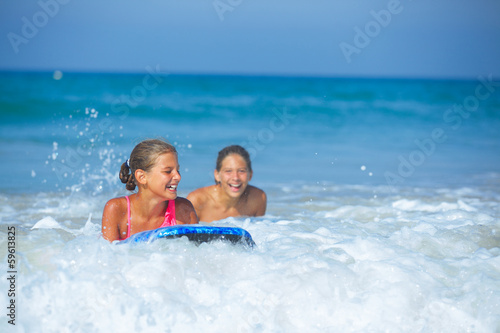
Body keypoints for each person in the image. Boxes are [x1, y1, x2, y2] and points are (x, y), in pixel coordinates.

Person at [102, 139, 198, 242]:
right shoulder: (117, 210)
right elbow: (106, 255)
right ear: (142, 177)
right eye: (168, 171)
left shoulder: (183, 210)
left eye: (177, 170)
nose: (178, 177)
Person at [187, 145, 266, 222]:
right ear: (217, 175)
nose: (235, 178)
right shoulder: (197, 201)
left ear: (250, 175)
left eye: (241, 171)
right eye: (228, 171)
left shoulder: (257, 199)